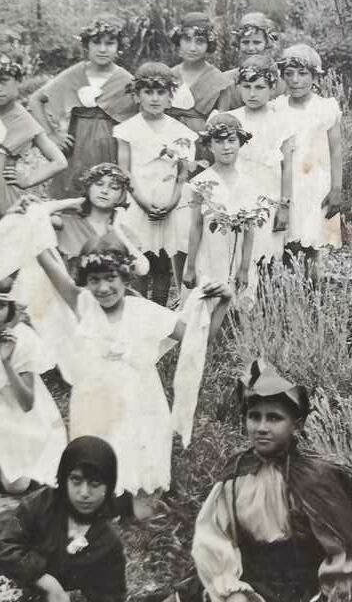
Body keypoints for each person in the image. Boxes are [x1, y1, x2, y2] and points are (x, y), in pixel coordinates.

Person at [142, 359, 352, 602]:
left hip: (296, 579)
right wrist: (232, 587)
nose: (261, 427)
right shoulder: (236, 475)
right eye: (254, 416)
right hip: (246, 568)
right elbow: (213, 534)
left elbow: (340, 550)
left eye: (274, 418)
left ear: (296, 425)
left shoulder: (314, 478)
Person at [33, 229, 232, 520]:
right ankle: (103, 492)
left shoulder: (144, 312)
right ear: (86, 283)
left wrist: (223, 303)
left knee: (143, 502)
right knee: (96, 468)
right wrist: (32, 219)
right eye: (95, 280)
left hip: (139, 401)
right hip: (96, 404)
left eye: (111, 278)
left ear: (126, 278)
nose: (103, 288)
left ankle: (137, 492)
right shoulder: (83, 304)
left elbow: (197, 339)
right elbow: (45, 259)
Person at [0, 164, 149, 386]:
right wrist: (70, 203)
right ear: (87, 188)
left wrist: (116, 227)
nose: (105, 190)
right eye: (98, 184)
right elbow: (33, 216)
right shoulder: (67, 222)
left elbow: (142, 268)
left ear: (122, 195)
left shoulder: (121, 232)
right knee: (22, 230)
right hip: (65, 297)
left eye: (113, 187)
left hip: (101, 301)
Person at [0, 437, 125, 602]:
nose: (84, 493)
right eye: (76, 481)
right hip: (10, 579)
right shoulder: (38, 506)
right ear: (63, 478)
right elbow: (5, 547)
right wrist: (43, 578)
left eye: (95, 483)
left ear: (108, 487)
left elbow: (112, 595)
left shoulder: (107, 541)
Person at [114, 62, 198, 303]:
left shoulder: (180, 131)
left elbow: (183, 173)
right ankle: (140, 317)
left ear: (170, 95)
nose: (154, 98)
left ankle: (160, 316)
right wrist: (142, 202)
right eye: (148, 92)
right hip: (139, 203)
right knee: (140, 264)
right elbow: (124, 171)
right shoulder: (126, 130)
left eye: (161, 92)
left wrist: (172, 203)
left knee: (163, 265)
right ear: (137, 95)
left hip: (169, 204)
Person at [28, 15, 136, 198]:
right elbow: (35, 99)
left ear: (119, 48)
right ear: (87, 45)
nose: (102, 49)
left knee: (105, 198)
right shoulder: (75, 73)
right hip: (75, 152)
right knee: (70, 202)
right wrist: (51, 134)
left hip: (110, 150)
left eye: (110, 43)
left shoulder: (126, 81)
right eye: (96, 42)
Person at [272, 43, 342, 276]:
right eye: (289, 74)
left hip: (314, 183)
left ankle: (312, 296)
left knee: (310, 242)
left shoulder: (325, 108)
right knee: (287, 241)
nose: (296, 80)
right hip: (284, 184)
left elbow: (335, 150)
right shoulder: (276, 108)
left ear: (314, 76)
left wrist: (336, 188)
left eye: (302, 74)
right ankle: (288, 292)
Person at [184, 112, 270, 297]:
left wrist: (244, 268)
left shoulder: (249, 183)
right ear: (209, 145)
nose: (226, 147)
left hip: (237, 256)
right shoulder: (201, 183)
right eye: (219, 141)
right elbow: (196, 226)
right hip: (209, 256)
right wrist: (190, 267)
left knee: (238, 307)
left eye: (231, 140)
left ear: (240, 142)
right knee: (208, 307)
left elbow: (250, 229)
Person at [220, 55, 291, 267]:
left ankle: (263, 299)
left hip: (269, 199)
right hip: (235, 198)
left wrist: (284, 206)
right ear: (238, 87)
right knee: (234, 257)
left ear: (272, 88)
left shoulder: (282, 121)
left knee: (265, 258)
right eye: (247, 86)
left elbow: (287, 166)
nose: (252, 94)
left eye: (259, 87)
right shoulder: (230, 119)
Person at [0, 276, 66, 493]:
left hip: (22, 422)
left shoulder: (22, 338)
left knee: (16, 486)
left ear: (10, 308)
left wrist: (6, 362)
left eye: (0, 307)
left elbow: (27, 403)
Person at [0, 54, 67, 217]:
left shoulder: (23, 120)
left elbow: (59, 161)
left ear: (18, 81)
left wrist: (28, 179)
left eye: (3, 80)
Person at [167, 12, 231, 137]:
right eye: (187, 40)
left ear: (209, 45)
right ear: (179, 41)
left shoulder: (220, 82)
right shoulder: (168, 76)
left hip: (202, 143)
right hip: (167, 142)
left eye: (200, 42)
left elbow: (222, 125)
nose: (192, 48)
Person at [215, 12, 284, 112]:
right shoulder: (227, 80)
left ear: (267, 43)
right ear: (238, 43)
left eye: (257, 42)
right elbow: (222, 115)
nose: (251, 48)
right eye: (245, 42)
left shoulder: (280, 80)